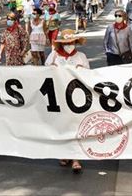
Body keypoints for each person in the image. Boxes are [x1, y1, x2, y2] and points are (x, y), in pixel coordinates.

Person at [45, 29, 89, 173]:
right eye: (66, 43)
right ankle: (64, 153)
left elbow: (90, 75)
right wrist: (52, 68)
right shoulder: (54, 55)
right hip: (59, 96)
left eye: (71, 42)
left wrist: (82, 70)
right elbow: (44, 71)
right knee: (62, 126)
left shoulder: (81, 56)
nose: (69, 45)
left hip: (77, 97)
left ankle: (76, 158)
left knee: (76, 126)